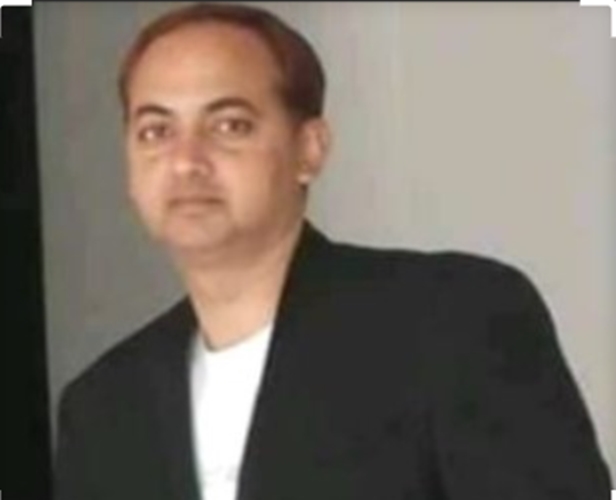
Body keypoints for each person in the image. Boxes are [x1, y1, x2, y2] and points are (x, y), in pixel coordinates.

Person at [53, 3, 612, 500]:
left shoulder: (452, 320)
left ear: (310, 149)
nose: (185, 161)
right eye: (155, 131)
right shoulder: (103, 406)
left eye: (229, 125)